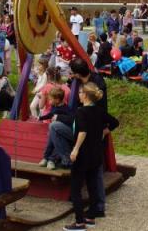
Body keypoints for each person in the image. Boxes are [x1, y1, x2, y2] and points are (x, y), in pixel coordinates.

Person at [63, 82, 119, 231]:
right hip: (95, 154)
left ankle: (79, 222)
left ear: (86, 95)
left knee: (75, 188)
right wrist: (103, 132)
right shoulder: (99, 111)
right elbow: (115, 122)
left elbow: (82, 131)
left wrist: (75, 150)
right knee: (93, 186)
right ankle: (91, 217)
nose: (78, 95)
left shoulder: (81, 112)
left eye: (80, 93)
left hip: (82, 155)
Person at [37, 87, 76, 170]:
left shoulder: (66, 109)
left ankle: (49, 159)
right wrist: (41, 118)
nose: (49, 101)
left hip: (66, 131)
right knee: (53, 134)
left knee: (53, 129)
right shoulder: (54, 106)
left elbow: (72, 119)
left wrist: (59, 118)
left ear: (57, 100)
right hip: (56, 131)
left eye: (50, 99)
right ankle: (47, 159)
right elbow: (50, 114)